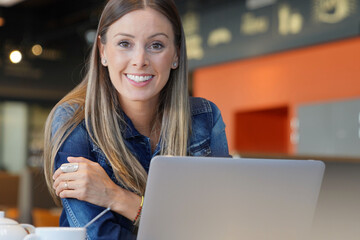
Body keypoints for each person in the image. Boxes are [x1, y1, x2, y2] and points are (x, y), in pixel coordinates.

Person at [43, 0, 230, 239]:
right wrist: (178, 225)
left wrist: (115, 196)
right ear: (103, 51)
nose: (140, 60)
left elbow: (220, 225)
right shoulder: (75, 121)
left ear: (176, 54)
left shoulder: (204, 118)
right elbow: (98, 235)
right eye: (124, 43)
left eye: (156, 45)